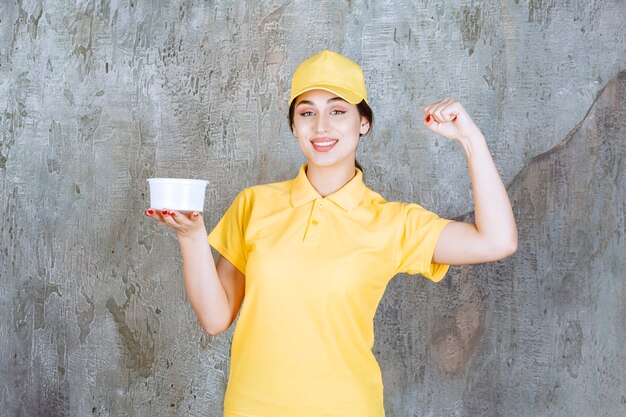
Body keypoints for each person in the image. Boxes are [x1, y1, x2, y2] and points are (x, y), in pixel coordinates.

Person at [145, 50, 517, 417]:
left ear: (363, 123)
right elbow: (215, 318)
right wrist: (191, 235)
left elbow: (497, 240)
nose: (321, 126)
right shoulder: (254, 205)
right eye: (307, 113)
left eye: (337, 111)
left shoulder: (392, 223)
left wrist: (470, 139)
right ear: (294, 126)